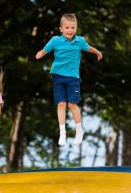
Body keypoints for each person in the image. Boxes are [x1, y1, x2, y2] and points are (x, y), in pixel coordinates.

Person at [35, 13, 103, 146]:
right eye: (67, 27)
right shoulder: (55, 40)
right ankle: (62, 132)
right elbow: (45, 50)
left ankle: (79, 130)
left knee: (72, 104)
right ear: (61, 29)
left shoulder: (80, 41)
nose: (70, 30)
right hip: (58, 76)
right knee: (61, 103)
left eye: (72, 27)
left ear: (76, 28)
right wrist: (40, 53)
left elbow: (88, 48)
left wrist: (98, 52)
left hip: (73, 77)